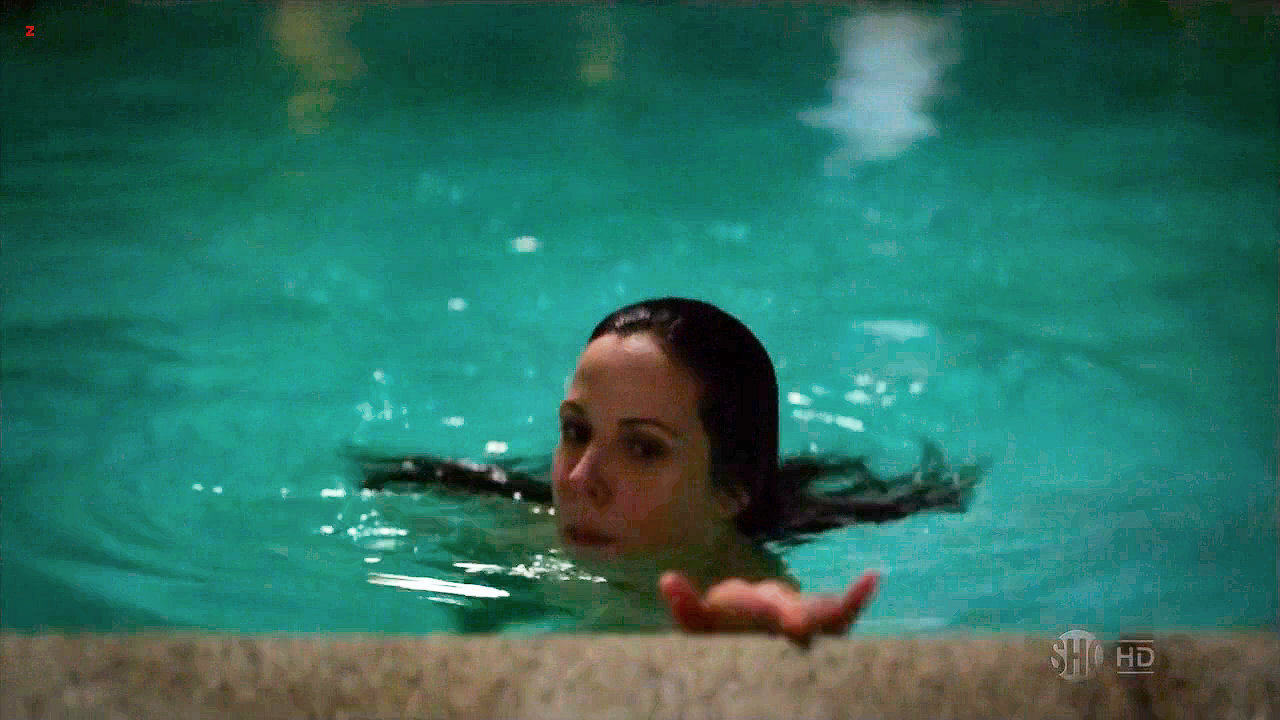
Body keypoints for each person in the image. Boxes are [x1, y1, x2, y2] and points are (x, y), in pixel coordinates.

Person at [349, 297, 983, 643]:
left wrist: (753, 642)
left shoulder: (735, 587)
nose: (579, 479)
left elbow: (764, 612)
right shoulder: (504, 531)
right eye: (576, 432)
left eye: (644, 449)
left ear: (730, 491)